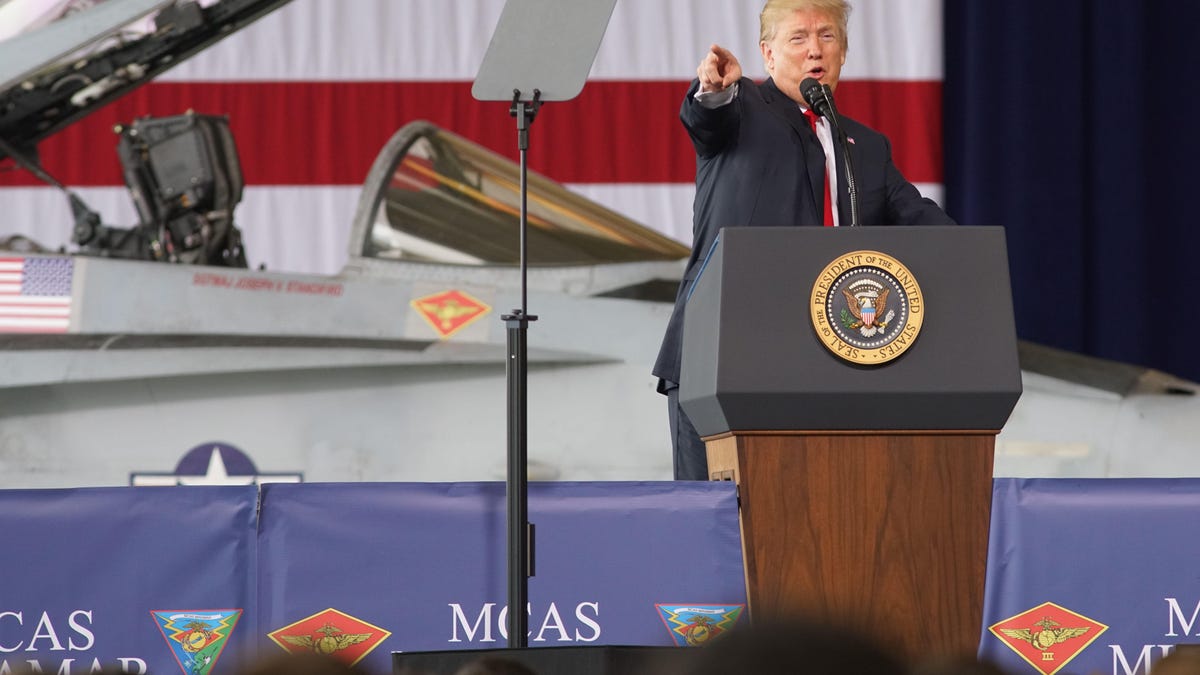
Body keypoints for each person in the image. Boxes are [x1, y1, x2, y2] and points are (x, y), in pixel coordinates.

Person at [653, 0, 957, 480]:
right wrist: (712, 91)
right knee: (714, 520)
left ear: (843, 52)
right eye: (798, 37)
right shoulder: (741, 108)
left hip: (826, 366)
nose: (815, 49)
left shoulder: (867, 146)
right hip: (723, 358)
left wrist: (973, 257)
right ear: (768, 54)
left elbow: (919, 219)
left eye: (827, 36)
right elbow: (706, 118)